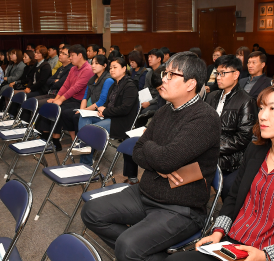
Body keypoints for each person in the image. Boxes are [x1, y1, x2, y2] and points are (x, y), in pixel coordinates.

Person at [81, 52, 221, 261]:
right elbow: (137, 151)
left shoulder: (205, 118)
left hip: (180, 208)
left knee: (128, 246)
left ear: (191, 84)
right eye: (165, 73)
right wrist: (159, 160)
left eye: (172, 75)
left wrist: (155, 152)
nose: (163, 79)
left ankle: (136, 251)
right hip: (145, 192)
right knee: (91, 212)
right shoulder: (165, 111)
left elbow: (165, 159)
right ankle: (147, 254)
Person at [167, 84, 274, 261]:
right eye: (261, 108)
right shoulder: (255, 151)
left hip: (270, 253)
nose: (262, 115)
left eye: (272, 108)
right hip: (232, 245)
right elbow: (234, 197)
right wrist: (218, 231)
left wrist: (265, 256)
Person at [205, 55, 257, 201]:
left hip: (231, 159)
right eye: (217, 73)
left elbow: (243, 138)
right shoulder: (212, 96)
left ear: (236, 74)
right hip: (208, 153)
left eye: (223, 73)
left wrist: (213, 147)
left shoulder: (246, 101)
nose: (218, 77)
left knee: (225, 187)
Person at [78, 56, 138, 166]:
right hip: (109, 116)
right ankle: (85, 145)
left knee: (91, 129)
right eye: (110, 68)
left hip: (120, 122)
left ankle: (85, 162)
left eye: (115, 67)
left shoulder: (130, 86)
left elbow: (125, 109)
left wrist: (105, 111)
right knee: (84, 117)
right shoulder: (114, 85)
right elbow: (108, 102)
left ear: (124, 68)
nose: (112, 70)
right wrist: (102, 109)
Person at [40, 44, 93, 151]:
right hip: (70, 98)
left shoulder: (88, 69)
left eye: (72, 55)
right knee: (51, 106)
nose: (70, 58)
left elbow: (75, 88)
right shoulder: (73, 69)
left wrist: (60, 100)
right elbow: (65, 85)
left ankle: (55, 142)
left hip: (80, 101)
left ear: (80, 55)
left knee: (58, 110)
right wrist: (57, 99)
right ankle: (46, 137)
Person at [66, 54, 113, 141]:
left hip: (99, 110)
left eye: (96, 63)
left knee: (77, 117)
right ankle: (75, 140)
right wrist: (82, 110)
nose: (93, 66)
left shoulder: (108, 80)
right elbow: (85, 96)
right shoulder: (92, 79)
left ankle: (84, 141)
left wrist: (83, 111)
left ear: (104, 66)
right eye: (92, 63)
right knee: (67, 114)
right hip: (88, 109)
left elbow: (102, 101)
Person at [140, 48, 163, 114]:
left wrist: (149, 103)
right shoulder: (148, 73)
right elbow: (145, 89)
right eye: (148, 57)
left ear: (159, 59)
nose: (149, 59)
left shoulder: (163, 72)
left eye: (151, 57)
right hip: (149, 99)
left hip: (160, 101)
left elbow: (161, 94)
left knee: (144, 112)